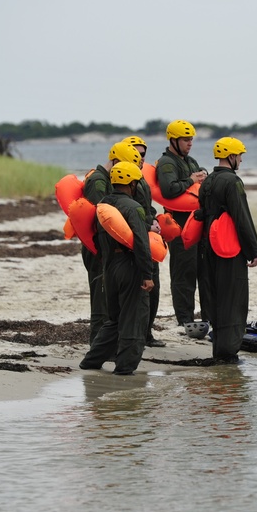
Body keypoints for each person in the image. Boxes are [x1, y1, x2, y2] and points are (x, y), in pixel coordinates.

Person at [79, 162, 154, 374]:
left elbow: (96, 238)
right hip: (129, 267)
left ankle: (91, 361)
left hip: (109, 267)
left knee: (113, 320)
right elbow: (141, 241)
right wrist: (147, 274)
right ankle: (125, 368)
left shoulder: (103, 205)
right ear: (131, 184)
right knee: (134, 317)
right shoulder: (132, 207)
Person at [196, 137, 257, 363]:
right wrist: (253, 250)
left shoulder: (207, 182)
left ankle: (218, 350)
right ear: (231, 156)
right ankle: (228, 354)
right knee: (233, 300)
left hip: (207, 250)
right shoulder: (232, 183)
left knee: (215, 298)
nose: (241, 160)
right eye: (240, 155)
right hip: (228, 251)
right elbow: (242, 218)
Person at [80, 141, 143, 347]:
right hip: (98, 248)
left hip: (108, 248)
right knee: (100, 300)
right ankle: (97, 347)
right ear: (115, 161)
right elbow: (101, 216)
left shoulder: (108, 179)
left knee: (110, 299)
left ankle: (108, 346)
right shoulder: (98, 181)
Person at [156, 120, 208, 326]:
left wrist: (203, 177)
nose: (190, 143)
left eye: (191, 140)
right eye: (186, 140)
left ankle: (206, 316)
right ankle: (184, 319)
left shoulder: (191, 161)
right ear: (174, 140)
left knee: (203, 273)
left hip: (196, 225)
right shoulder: (168, 162)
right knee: (183, 276)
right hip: (179, 227)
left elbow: (197, 183)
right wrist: (192, 180)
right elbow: (169, 189)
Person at [123, 135, 165, 348]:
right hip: (138, 239)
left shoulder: (140, 179)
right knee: (143, 288)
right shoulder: (122, 182)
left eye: (142, 155)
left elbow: (147, 208)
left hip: (150, 236)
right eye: (136, 154)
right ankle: (139, 335)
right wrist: (147, 226)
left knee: (154, 289)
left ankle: (147, 333)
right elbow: (127, 213)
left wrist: (155, 219)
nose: (139, 158)